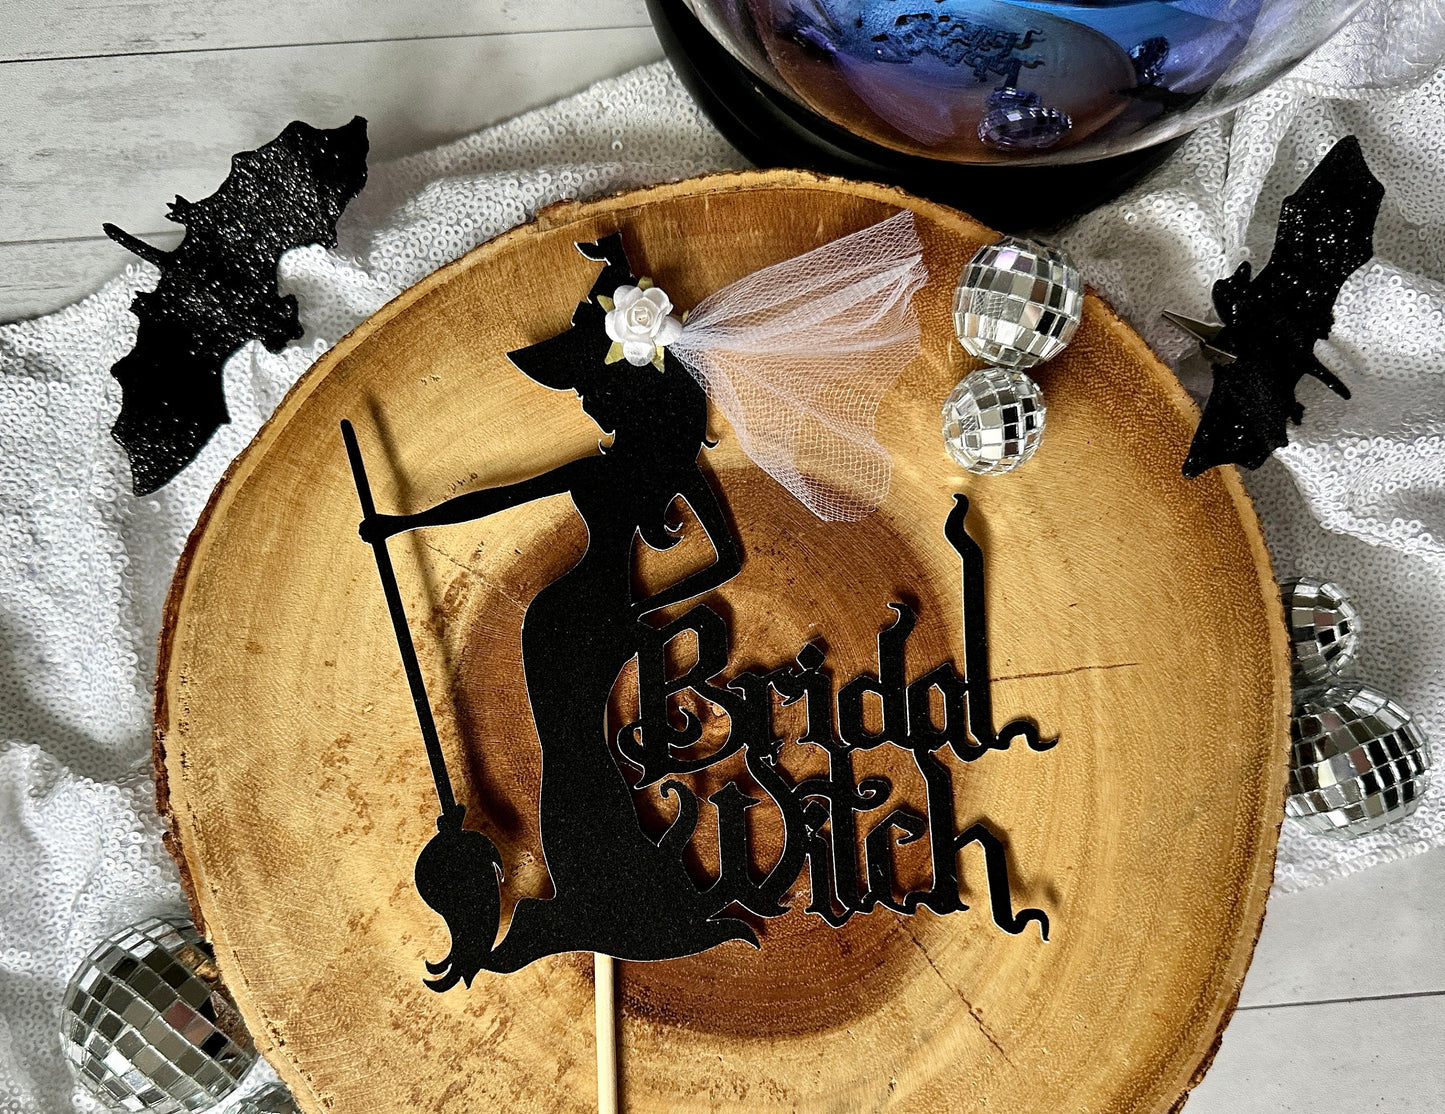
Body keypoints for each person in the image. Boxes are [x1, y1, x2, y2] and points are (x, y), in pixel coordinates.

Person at [361, 235, 756, 972]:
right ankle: (595, 889)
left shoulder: (667, 464)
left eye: (594, 392)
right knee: (568, 751)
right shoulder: (609, 466)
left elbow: (725, 559)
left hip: (592, 616)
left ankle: (600, 890)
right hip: (563, 618)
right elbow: (498, 497)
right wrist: (403, 524)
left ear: (631, 391)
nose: (591, 405)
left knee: (578, 753)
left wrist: (646, 611)